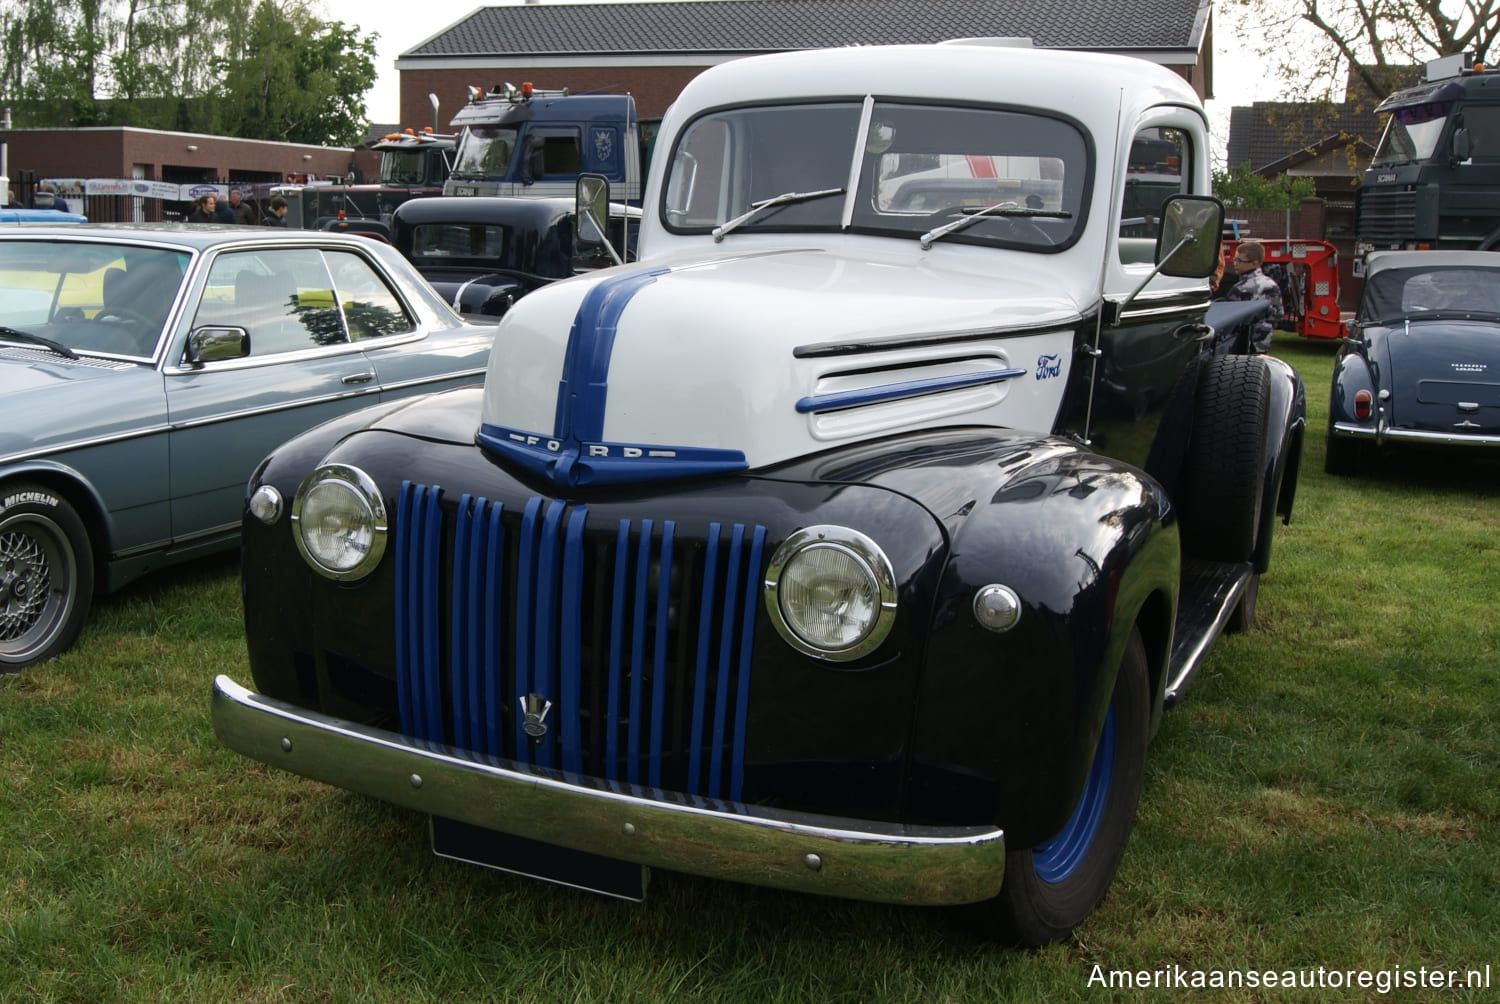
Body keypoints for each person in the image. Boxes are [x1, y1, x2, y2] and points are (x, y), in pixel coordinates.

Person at [1215, 241, 1282, 353]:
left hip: (1241, 344)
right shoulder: (1271, 284)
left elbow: (1228, 319)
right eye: (1234, 259)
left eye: (1239, 260)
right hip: (1263, 342)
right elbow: (1278, 314)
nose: (1235, 263)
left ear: (1254, 263)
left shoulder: (1241, 288)